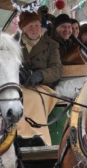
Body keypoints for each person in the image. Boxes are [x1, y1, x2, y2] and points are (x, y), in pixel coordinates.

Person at [17, 11, 63, 146]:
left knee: (34, 99)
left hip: (43, 87)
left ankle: (39, 139)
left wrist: (40, 75)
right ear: (23, 28)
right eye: (30, 26)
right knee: (15, 97)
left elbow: (57, 69)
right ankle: (18, 137)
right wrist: (17, 72)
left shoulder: (51, 45)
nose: (34, 29)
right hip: (21, 85)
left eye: (37, 25)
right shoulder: (14, 44)